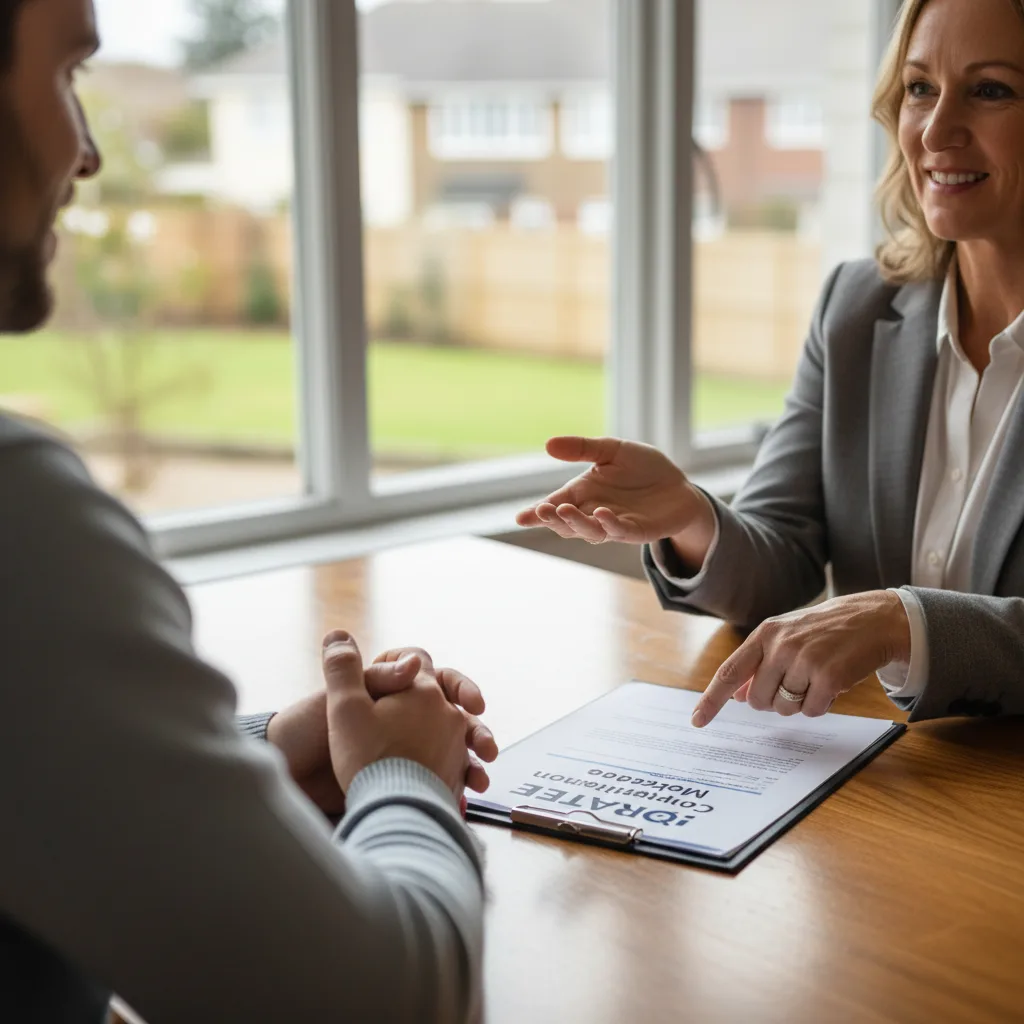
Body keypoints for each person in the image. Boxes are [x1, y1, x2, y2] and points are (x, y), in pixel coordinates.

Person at [0, 0, 498, 1020]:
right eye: (66, 76)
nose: (86, 152)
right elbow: (393, 999)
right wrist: (401, 779)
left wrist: (259, 749)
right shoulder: (17, 521)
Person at [520, 0, 1024, 730]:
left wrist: (900, 621)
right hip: (880, 787)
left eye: (990, 90)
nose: (936, 131)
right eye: (919, 88)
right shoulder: (856, 309)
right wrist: (690, 518)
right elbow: (779, 561)